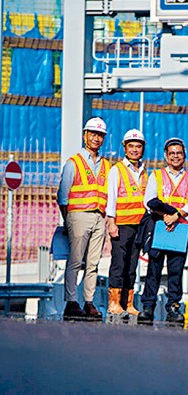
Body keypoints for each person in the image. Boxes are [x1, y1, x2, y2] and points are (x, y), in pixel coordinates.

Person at [138, 137, 188, 326]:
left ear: (184, 155)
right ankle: (148, 306)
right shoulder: (156, 175)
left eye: (179, 153)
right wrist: (166, 214)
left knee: (176, 271)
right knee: (153, 269)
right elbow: (150, 201)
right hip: (159, 225)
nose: (175, 157)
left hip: (180, 228)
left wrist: (176, 215)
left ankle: (173, 307)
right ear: (166, 155)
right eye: (172, 153)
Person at [57, 117, 110, 321]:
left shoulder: (105, 165)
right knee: (76, 260)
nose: (96, 138)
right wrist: (68, 219)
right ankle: (71, 302)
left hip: (99, 217)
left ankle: (88, 302)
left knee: (93, 263)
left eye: (100, 135)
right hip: (78, 215)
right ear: (85, 135)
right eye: (93, 134)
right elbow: (63, 195)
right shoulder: (74, 163)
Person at [104, 129, 148, 319]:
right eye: (131, 146)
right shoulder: (117, 170)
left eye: (138, 146)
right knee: (118, 264)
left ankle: (127, 303)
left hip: (139, 226)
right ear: (125, 148)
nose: (135, 150)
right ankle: (114, 302)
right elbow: (111, 198)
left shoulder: (145, 172)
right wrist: (111, 223)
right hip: (121, 225)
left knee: (132, 266)